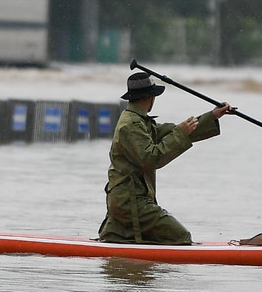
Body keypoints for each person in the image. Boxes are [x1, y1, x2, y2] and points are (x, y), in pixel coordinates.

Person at [98, 71, 234, 245]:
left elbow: (176, 132)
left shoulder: (139, 121)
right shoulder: (130, 125)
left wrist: (213, 115)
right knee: (181, 237)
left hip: (129, 200)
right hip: (130, 203)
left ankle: (120, 239)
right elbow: (151, 158)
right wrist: (180, 133)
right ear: (150, 97)